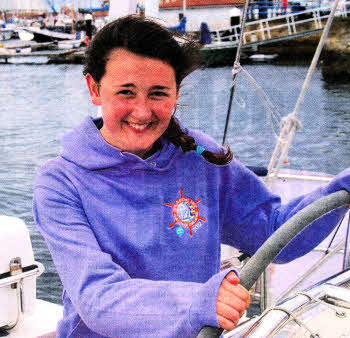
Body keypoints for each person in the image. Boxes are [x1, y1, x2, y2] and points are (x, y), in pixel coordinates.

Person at [33, 15, 350, 337]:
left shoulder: (200, 155)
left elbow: (272, 233)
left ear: (176, 92)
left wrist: (341, 188)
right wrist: (199, 301)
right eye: (126, 92)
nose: (142, 112)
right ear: (94, 88)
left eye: (158, 93)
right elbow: (98, 298)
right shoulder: (60, 182)